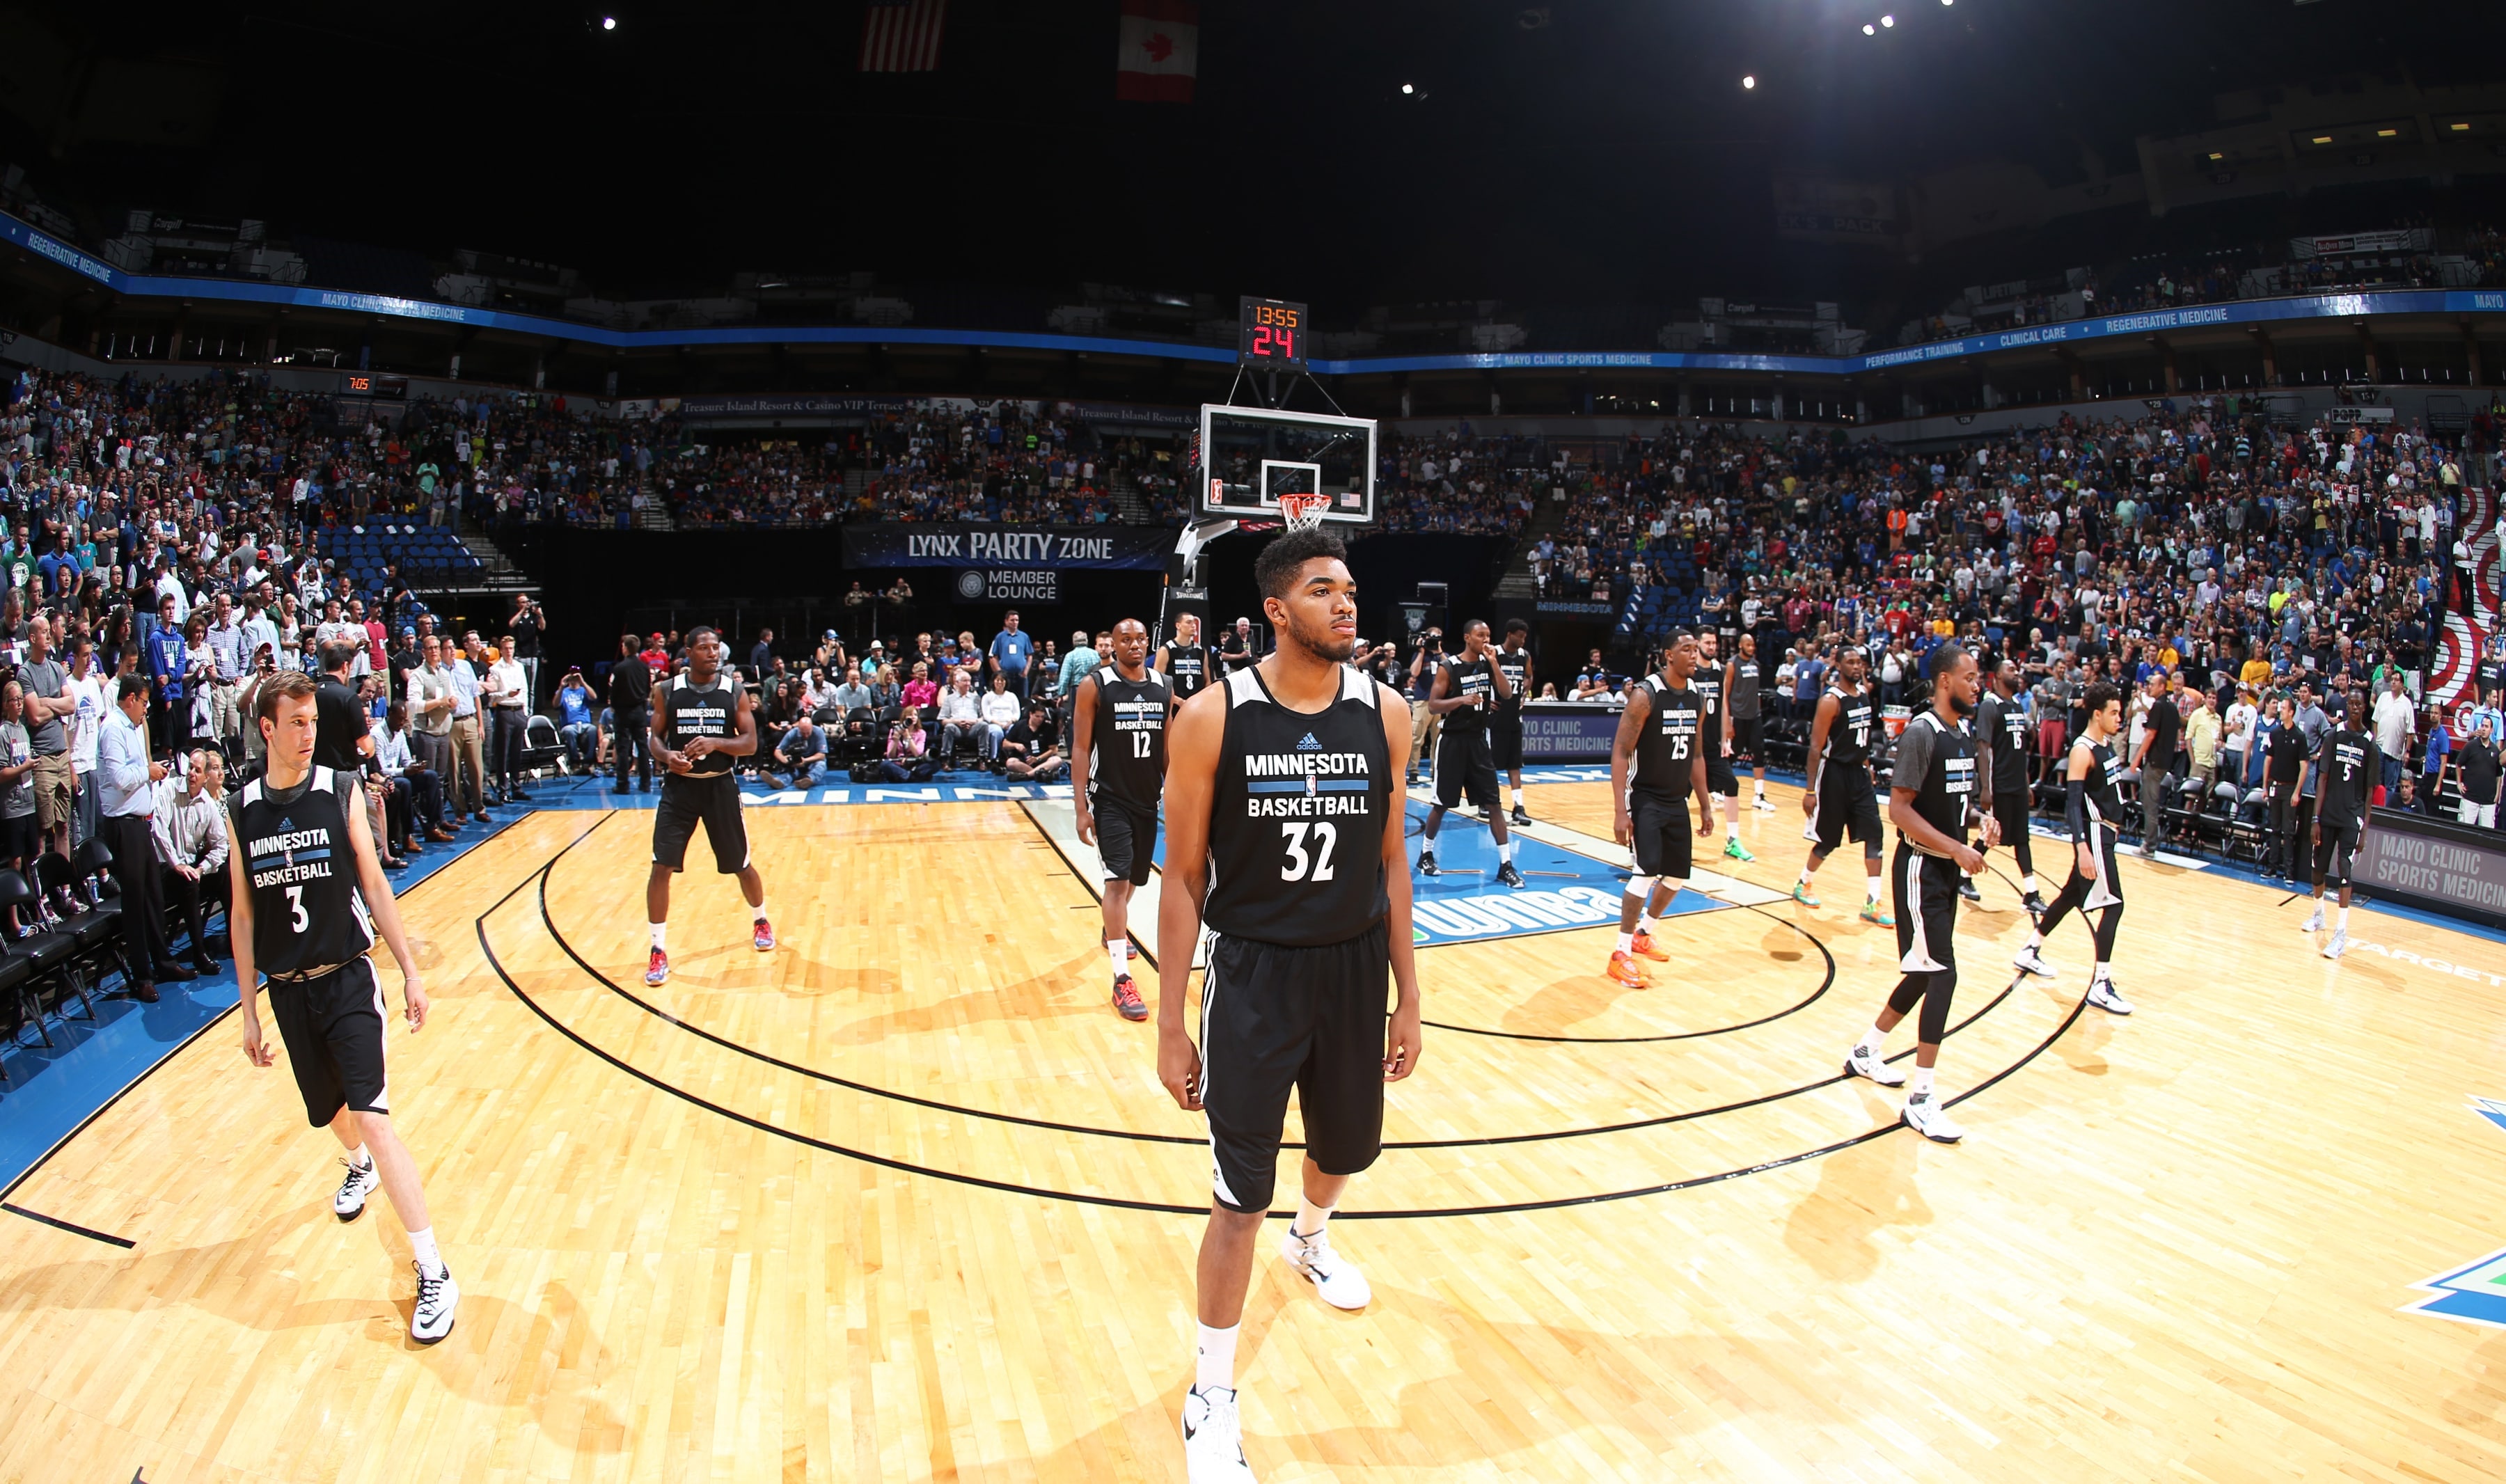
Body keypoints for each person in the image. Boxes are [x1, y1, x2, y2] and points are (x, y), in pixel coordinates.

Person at [1153, 526, 1419, 1483]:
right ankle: (1210, 1397)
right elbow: (1182, 879)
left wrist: (1409, 997)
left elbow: (1391, 860)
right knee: (1239, 1197)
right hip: (1256, 975)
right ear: (1275, 609)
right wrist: (1175, 1019)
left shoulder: (1389, 713)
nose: (1346, 602)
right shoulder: (1212, 716)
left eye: (1349, 587)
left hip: (1354, 972)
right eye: (1322, 590)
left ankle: (1313, 1244)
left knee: (1344, 1151)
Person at [226, 669, 457, 1345]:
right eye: (295, 722)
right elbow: (242, 915)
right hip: (289, 991)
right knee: (330, 1115)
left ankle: (434, 1268)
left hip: (350, 980)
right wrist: (247, 1010)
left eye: (312, 722)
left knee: (374, 1119)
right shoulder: (242, 808)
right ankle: (355, 1165)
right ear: (266, 728)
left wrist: (411, 970)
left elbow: (377, 884)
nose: (308, 733)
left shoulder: (341, 790)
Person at [1841, 646, 1992, 1144]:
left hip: (1946, 870)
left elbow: (1947, 804)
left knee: (1925, 973)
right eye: (1970, 678)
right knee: (1942, 974)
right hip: (1921, 870)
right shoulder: (1922, 733)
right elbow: (1900, 811)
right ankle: (1922, 1099)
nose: (1977, 685)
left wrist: (1977, 824)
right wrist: (1954, 848)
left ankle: (1867, 1050)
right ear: (1945, 681)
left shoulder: (1961, 736)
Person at [645, 626, 773, 986]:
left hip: (720, 788)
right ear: (688, 652)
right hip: (679, 790)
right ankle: (657, 949)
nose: (712, 653)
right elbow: (654, 736)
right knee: (661, 867)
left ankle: (760, 918)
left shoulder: (734, 690)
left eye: (716, 647)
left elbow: (749, 743)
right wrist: (667, 756)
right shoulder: (666, 690)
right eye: (704, 648)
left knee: (741, 865)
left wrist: (717, 743)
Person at [1604, 629, 1717, 989]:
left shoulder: (1696, 695)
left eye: (1696, 650)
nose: (1693, 656)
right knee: (1645, 871)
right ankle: (1620, 953)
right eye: (1686, 650)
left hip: (1676, 799)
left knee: (1677, 876)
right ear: (1669, 655)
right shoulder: (1646, 694)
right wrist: (1622, 811)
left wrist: (1705, 803)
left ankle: (1644, 933)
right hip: (1646, 798)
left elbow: (1697, 754)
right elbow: (1621, 752)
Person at [2012, 681, 2133, 1013]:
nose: (2119, 718)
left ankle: (2030, 949)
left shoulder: (2106, 744)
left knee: (2069, 897)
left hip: (2106, 833)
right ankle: (2101, 984)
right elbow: (2073, 804)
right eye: (2114, 713)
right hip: (2093, 836)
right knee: (2115, 905)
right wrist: (2082, 846)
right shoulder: (2083, 750)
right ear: (2097, 714)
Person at [1071, 617, 1169, 1024]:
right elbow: (1079, 747)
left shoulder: (1163, 685)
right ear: (1111, 645)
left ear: (1148, 641)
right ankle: (1122, 979)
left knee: (1131, 881)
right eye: (1125, 639)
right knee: (1116, 882)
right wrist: (1081, 808)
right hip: (1109, 799)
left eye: (1140, 638)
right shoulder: (1096, 685)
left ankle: (1112, 928)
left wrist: (1175, 794)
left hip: (1148, 800)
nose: (1134, 645)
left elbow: (1165, 746)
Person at [98, 674, 190, 1003]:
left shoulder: (133, 728)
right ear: (131, 699)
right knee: (135, 903)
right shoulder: (112, 729)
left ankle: (163, 963)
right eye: (145, 703)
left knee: (154, 895)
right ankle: (142, 977)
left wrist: (151, 768)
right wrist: (147, 773)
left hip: (141, 823)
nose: (146, 710)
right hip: (124, 825)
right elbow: (120, 778)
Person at [1416, 619, 1523, 890]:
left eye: (1488, 635)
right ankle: (1426, 854)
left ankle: (1506, 865)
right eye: (1480, 635)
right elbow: (1433, 704)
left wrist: (1495, 663)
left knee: (1494, 803)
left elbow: (1507, 693)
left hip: (1478, 742)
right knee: (1441, 804)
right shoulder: (1449, 666)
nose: (1486, 639)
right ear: (1467, 638)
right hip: (1452, 742)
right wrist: (1461, 700)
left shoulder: (1488, 663)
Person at [1794, 646, 1890, 923]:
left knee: (1875, 834)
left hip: (1858, 773)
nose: (1857, 667)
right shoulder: (1830, 701)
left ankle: (1873, 902)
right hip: (1833, 774)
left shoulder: (1864, 696)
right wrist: (1810, 791)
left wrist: (1868, 766)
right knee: (1828, 840)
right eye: (1850, 662)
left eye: (1859, 662)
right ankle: (1804, 882)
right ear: (1838, 665)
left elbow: (1865, 738)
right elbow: (1815, 747)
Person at [2301, 690, 2379, 961]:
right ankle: (2319, 915)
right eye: (2351, 703)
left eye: (2359, 703)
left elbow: (2369, 793)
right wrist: (2315, 818)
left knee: (2345, 870)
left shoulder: (2370, 744)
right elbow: (2322, 779)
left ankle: (2340, 934)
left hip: (2351, 818)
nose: (2355, 707)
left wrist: (2365, 830)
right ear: (2347, 706)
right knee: (2318, 868)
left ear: (2363, 708)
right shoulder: (2334, 736)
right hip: (2329, 813)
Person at [1973, 659, 2045, 916]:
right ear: (1998, 675)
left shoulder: (2016, 704)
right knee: (1992, 835)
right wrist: (1984, 788)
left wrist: (2026, 782)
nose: (2017, 673)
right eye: (2011, 669)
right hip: (1999, 783)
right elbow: (1983, 748)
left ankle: (2031, 893)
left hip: (2016, 782)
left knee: (2021, 839)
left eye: (2017, 669)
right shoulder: (1990, 705)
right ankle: (1962, 875)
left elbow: (2020, 750)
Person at [155, 748, 229, 974]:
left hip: (190, 869)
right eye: (190, 768)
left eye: (197, 770)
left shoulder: (207, 804)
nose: (191, 774)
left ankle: (236, 939)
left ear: (205, 777)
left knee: (225, 873)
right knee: (188, 883)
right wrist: (177, 864)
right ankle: (199, 953)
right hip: (165, 867)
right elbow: (159, 831)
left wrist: (202, 869)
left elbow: (221, 845)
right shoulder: (169, 789)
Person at [1692, 630, 1751, 863]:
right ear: (1697, 644)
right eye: (1707, 642)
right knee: (1678, 795)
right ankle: (1661, 843)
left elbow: (1723, 703)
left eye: (1715, 642)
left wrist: (1726, 736)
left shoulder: (1719, 669)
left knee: (1732, 784)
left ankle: (1733, 841)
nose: (1712, 646)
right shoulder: (1690, 671)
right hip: (1691, 747)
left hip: (1712, 747)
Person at [2131, 676, 2182, 855]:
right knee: (2151, 803)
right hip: (2165, 761)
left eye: (2152, 684)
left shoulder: (2158, 706)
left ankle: (2149, 845)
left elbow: (2151, 735)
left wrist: (2136, 760)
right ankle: (2150, 842)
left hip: (2154, 762)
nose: (2149, 687)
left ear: (2162, 687)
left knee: (2150, 804)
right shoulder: (2173, 708)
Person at [2262, 695, 2310, 881]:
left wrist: (2298, 791)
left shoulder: (2300, 736)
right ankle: (2272, 867)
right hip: (2275, 786)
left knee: (2288, 832)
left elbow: (2304, 766)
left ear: (2291, 712)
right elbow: (2268, 760)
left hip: (2290, 789)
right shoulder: (2274, 734)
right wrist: (2265, 786)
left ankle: (2289, 871)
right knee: (2274, 829)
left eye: (2284, 708)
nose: (2280, 710)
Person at [1491, 619, 1534, 826]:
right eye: (1521, 636)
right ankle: (1488, 801)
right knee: (1490, 764)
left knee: (1515, 765)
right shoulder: (1495, 654)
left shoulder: (1524, 656)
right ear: (1510, 634)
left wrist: (1524, 693)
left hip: (1514, 717)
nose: (1524, 640)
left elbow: (1529, 677)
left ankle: (1519, 807)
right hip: (1495, 717)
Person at [483, 635, 530, 802]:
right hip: (504, 711)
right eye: (506, 649)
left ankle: (517, 787)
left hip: (518, 711)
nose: (509, 651)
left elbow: (525, 689)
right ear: (501, 650)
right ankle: (503, 790)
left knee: (517, 753)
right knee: (503, 752)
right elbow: (492, 695)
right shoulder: (495, 669)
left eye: (512, 648)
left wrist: (525, 712)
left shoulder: (519, 666)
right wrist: (506, 694)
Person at [1730, 631, 1772, 812]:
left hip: (1754, 715)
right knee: (1733, 752)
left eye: (1753, 645)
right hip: (1737, 715)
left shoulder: (1756, 664)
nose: (1752, 648)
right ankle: (1717, 786)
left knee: (1759, 751)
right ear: (1741, 645)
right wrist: (1727, 719)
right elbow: (1727, 691)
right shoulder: (1733, 664)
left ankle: (1759, 795)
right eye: (1748, 645)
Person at [608, 633, 654, 793]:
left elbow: (614, 691)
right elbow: (648, 688)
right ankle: (646, 783)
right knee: (642, 748)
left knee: (622, 748)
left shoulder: (620, 668)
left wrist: (614, 705)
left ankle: (623, 784)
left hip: (623, 712)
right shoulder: (644, 667)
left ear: (626, 648)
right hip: (640, 711)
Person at [2456, 716, 2503, 828]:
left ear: (2492, 730)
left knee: (2486, 836)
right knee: (2464, 832)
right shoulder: (2471, 746)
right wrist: (2459, 783)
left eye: (2487, 726)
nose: (2484, 729)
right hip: (2470, 799)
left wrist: (2497, 795)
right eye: (2482, 726)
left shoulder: (2495, 751)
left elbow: (2499, 776)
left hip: (2488, 802)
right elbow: (2458, 764)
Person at [1155, 612, 1212, 704]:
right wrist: (1178, 701)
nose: (1193, 626)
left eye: (1194, 623)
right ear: (1178, 625)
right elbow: (1158, 682)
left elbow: (1208, 681)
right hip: (1174, 703)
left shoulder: (1201, 650)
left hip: (1196, 704)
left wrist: (1203, 700)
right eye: (1189, 622)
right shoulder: (1166, 649)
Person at [1000, 701, 1064, 781]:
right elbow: (1005, 744)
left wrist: (1038, 759)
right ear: (1031, 714)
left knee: (1057, 760)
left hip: (1042, 761)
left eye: (1042, 717)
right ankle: (1040, 774)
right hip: (1024, 761)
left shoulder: (1048, 727)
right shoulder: (1020, 725)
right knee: (1010, 762)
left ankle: (1027, 775)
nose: (1040, 719)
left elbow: (1054, 749)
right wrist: (1016, 745)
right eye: (1037, 716)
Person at [764, 715, 827, 791]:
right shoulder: (792, 733)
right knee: (790, 772)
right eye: (803, 733)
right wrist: (784, 759)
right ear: (799, 729)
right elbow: (778, 751)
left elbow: (822, 755)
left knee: (821, 765)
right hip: (795, 764)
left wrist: (805, 761)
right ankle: (779, 782)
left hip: (812, 762)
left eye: (808, 733)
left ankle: (808, 780)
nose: (806, 736)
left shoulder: (819, 732)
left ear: (812, 727)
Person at [555, 668, 597, 772]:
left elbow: (594, 697)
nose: (574, 678)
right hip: (570, 725)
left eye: (576, 676)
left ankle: (588, 761)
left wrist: (583, 682)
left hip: (585, 724)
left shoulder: (584, 691)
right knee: (569, 732)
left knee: (593, 730)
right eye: (572, 676)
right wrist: (561, 687)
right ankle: (575, 762)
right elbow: (555, 704)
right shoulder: (564, 692)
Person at [987, 610, 1033, 693]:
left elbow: (1030, 655)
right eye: (1012, 620)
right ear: (1006, 622)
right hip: (1006, 675)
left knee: (1023, 700)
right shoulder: (1000, 637)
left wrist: (1026, 671)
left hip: (1021, 675)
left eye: (1017, 620)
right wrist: (999, 672)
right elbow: (994, 656)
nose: (1015, 622)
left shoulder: (1024, 636)